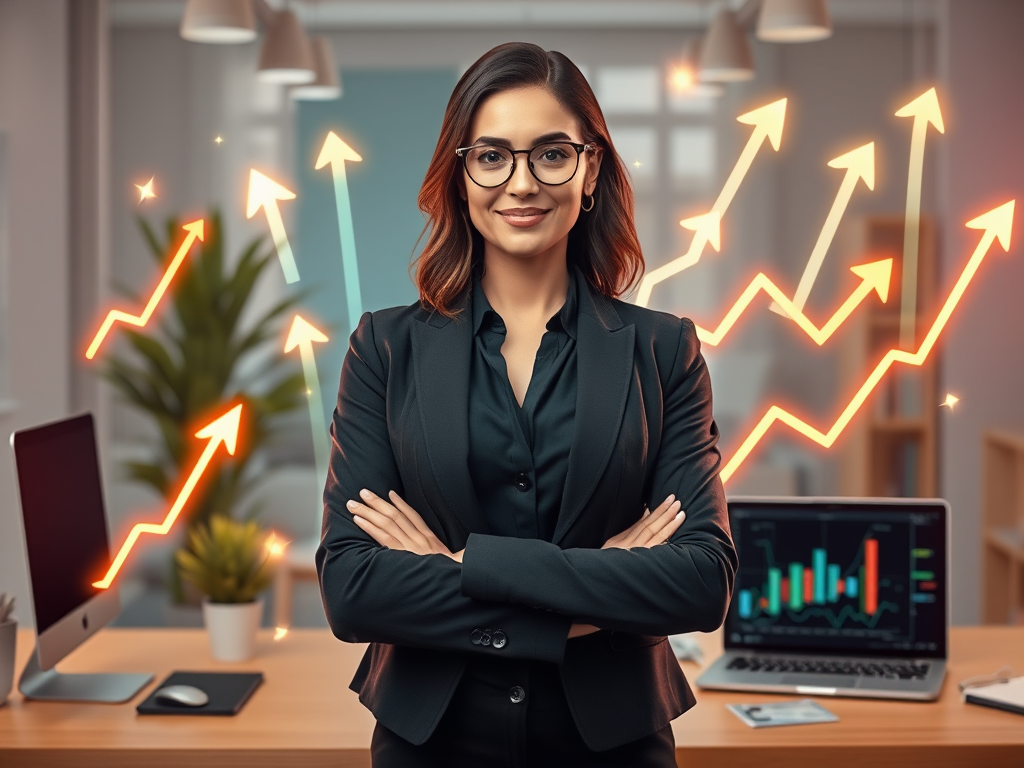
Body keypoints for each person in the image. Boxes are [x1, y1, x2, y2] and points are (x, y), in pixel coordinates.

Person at [316, 41, 737, 767]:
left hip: (615, 744)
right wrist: (588, 599)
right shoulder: (385, 349)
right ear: (461, 173)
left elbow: (701, 580)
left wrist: (455, 566)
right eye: (491, 156)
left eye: (550, 154)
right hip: (430, 741)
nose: (521, 183)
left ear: (590, 168)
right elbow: (352, 588)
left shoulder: (663, 351)